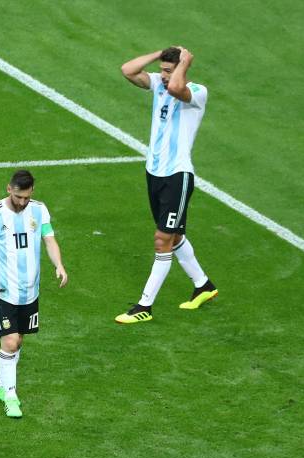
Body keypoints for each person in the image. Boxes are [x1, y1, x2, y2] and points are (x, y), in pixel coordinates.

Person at [116, 46, 218, 324]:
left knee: (162, 239)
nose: (163, 77)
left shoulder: (197, 93)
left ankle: (144, 306)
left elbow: (176, 88)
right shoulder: (160, 84)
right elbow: (128, 70)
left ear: (182, 69)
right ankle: (204, 286)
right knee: (174, 237)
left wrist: (182, 64)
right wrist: (160, 54)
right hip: (154, 173)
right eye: (162, 70)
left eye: (168, 71)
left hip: (177, 176)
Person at [0, 170, 68, 418]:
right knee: (10, 341)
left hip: (30, 290)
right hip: (3, 290)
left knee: (18, 341)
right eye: (18, 196)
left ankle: (0, 387)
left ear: (32, 191)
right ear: (9, 189)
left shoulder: (39, 210)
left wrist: (59, 265)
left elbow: (49, 240)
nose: (22, 202)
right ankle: (11, 396)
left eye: (26, 196)